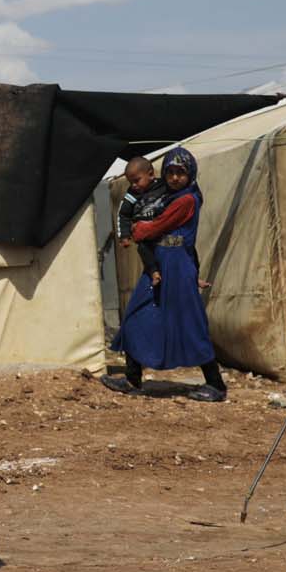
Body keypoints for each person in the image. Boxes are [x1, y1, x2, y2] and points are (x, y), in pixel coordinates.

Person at [101, 149, 227, 402]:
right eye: (170, 172)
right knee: (136, 315)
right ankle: (132, 378)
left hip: (178, 267)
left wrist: (140, 229)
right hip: (160, 265)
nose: (175, 177)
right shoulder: (165, 196)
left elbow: (153, 228)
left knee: (190, 323)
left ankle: (216, 385)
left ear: (190, 173)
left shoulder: (186, 200)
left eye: (180, 172)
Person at [116, 155, 169, 285]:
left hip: (162, 230)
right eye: (130, 182)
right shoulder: (132, 194)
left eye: (137, 180)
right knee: (143, 249)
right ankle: (154, 272)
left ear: (151, 174)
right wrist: (124, 236)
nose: (134, 185)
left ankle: (194, 276)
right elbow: (123, 214)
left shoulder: (164, 186)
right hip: (144, 233)